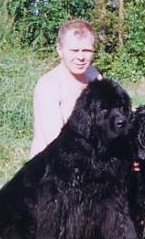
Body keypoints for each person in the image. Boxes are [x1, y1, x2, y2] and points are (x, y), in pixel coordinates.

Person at [30, 20, 101, 157]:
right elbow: (57, 144)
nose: (80, 57)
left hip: (87, 158)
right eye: (74, 50)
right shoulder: (49, 85)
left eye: (86, 50)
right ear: (60, 50)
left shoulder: (93, 74)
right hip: (52, 166)